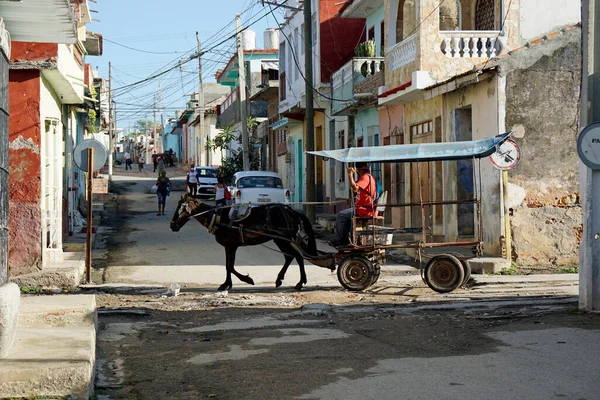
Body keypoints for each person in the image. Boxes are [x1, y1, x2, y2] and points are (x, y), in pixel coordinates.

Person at [329, 162, 377, 247]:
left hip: (364, 210)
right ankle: (346, 239)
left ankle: (339, 240)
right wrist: (352, 199)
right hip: (363, 208)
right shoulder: (368, 177)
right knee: (346, 216)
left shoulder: (366, 177)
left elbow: (355, 188)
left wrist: (350, 174)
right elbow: (360, 193)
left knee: (341, 215)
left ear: (358, 170)